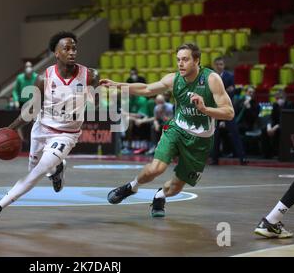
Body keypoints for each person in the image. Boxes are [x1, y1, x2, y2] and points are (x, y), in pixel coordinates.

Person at [0, 31, 99, 227]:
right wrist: (9, 129)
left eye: (74, 48)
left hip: (67, 134)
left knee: (36, 174)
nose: (72, 52)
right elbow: (32, 110)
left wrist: (97, 94)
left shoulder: (90, 75)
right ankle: (57, 169)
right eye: (66, 48)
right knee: (34, 169)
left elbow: (95, 102)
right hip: (41, 129)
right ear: (56, 53)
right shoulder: (43, 79)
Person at [100, 43, 234, 217]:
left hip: (201, 141)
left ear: (197, 61)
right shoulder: (174, 79)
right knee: (156, 168)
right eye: (178, 60)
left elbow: (229, 113)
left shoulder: (211, 79)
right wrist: (117, 85)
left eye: (185, 60)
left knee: (175, 188)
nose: (180, 64)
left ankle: (160, 196)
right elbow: (147, 89)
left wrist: (205, 109)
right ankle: (131, 187)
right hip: (176, 131)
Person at [211, 57, 248, 165]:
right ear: (214, 65)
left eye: (221, 64)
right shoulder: (211, 76)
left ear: (224, 65)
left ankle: (242, 158)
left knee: (234, 133)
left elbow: (231, 92)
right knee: (215, 135)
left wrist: (223, 93)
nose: (219, 66)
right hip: (216, 109)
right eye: (217, 64)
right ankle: (214, 159)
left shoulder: (229, 76)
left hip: (227, 108)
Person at [260, 90, 294, 159]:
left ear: (285, 97)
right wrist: (269, 127)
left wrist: (276, 127)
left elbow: (289, 120)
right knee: (264, 130)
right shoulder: (275, 105)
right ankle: (267, 154)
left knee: (279, 131)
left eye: (281, 98)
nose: (279, 100)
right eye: (277, 98)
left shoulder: (290, 104)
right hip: (277, 125)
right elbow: (272, 118)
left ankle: (279, 153)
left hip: (288, 126)